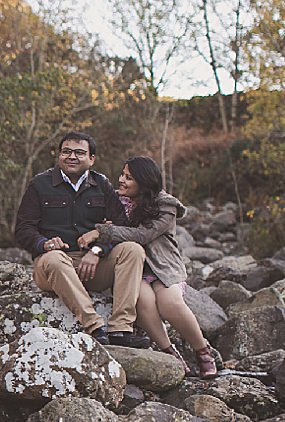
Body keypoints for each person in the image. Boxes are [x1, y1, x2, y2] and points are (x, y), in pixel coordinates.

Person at [77, 155, 219, 377]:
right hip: (135, 268)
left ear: (144, 183)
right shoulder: (115, 201)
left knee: (170, 303)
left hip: (163, 267)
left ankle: (203, 352)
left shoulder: (165, 206)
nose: (121, 180)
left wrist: (103, 230)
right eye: (122, 174)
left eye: (129, 177)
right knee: (143, 303)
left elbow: (144, 234)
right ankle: (170, 353)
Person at [14, 131, 151, 348]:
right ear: (59, 156)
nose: (71, 156)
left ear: (91, 159)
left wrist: (97, 251)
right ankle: (95, 327)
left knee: (132, 250)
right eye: (66, 151)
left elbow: (121, 227)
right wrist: (44, 243)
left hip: (93, 266)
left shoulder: (102, 184)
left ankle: (121, 329)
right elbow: (23, 229)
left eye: (79, 152)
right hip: (52, 266)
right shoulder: (40, 185)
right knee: (54, 259)